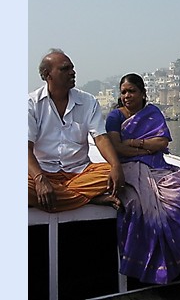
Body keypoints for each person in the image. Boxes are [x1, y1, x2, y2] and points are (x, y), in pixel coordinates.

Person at [105, 73, 180, 284]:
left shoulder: (152, 112)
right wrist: (147, 146)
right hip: (128, 168)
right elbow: (116, 147)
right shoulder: (115, 117)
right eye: (123, 92)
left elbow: (162, 142)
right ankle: (144, 268)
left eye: (132, 91)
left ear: (143, 93)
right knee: (138, 206)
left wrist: (135, 143)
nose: (127, 96)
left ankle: (173, 262)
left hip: (157, 166)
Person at [28, 48, 124, 212]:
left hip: (80, 172)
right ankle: (90, 198)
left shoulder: (88, 101)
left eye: (72, 68)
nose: (72, 72)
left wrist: (116, 165)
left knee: (111, 172)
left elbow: (100, 138)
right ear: (47, 74)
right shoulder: (31, 103)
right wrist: (39, 178)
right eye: (65, 69)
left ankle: (55, 199)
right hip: (43, 171)